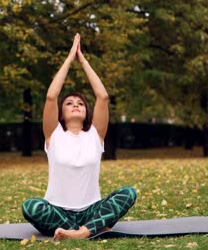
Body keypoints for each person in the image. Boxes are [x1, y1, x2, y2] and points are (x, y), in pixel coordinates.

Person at [22, 33, 137, 240]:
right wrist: (69, 59)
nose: (75, 104)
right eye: (69, 103)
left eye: (80, 103)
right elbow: (51, 96)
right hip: (58, 212)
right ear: (61, 113)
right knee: (31, 206)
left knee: (128, 193)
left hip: (92, 210)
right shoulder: (53, 135)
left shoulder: (95, 135)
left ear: (86, 111)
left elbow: (102, 97)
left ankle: (80, 232)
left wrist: (82, 60)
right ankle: (90, 230)